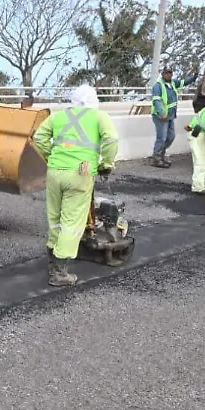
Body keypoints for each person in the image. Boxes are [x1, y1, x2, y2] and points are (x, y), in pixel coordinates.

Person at [32, 85, 120, 286]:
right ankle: (59, 272)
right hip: (82, 171)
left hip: (54, 172)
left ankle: (53, 257)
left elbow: (38, 137)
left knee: (55, 218)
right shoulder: (99, 117)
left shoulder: (58, 116)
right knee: (72, 222)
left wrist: (51, 154)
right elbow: (111, 140)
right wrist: (106, 164)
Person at [149, 66, 198, 168]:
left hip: (170, 115)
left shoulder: (173, 83)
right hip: (160, 116)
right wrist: (162, 113)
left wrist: (194, 77)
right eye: (167, 73)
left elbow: (184, 82)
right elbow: (156, 101)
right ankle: (156, 158)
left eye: (170, 73)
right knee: (161, 138)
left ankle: (161, 154)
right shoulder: (158, 86)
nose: (169, 75)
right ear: (163, 74)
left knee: (171, 137)